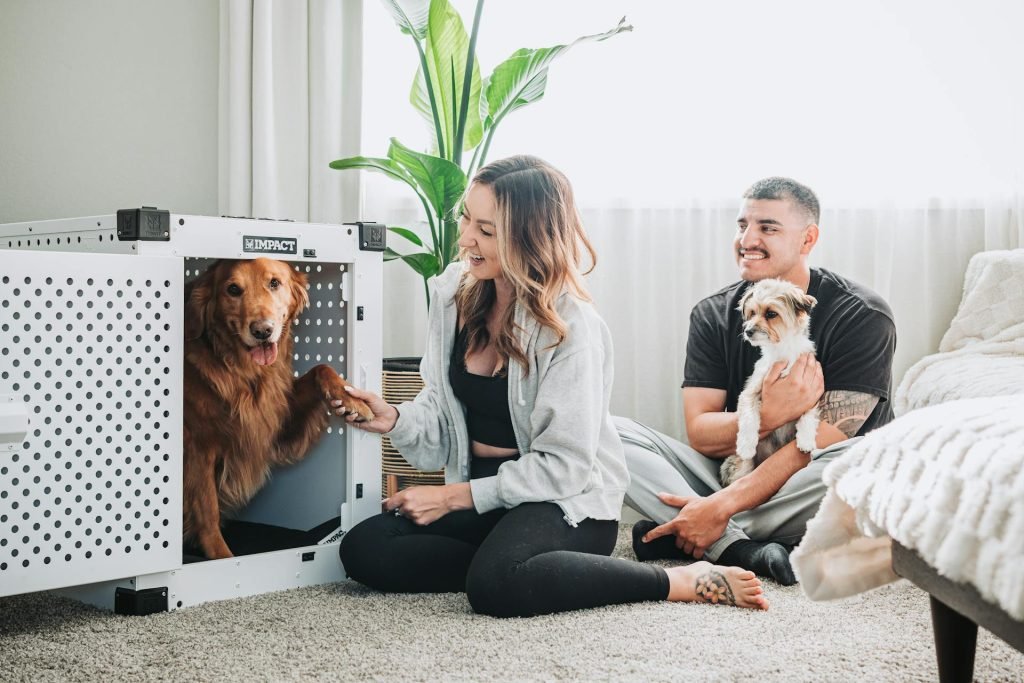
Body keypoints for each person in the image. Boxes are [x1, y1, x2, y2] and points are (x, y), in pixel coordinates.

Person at [336, 155, 768, 616]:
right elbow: (443, 411)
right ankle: (527, 566)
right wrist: (395, 417)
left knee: (494, 588)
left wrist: (449, 498)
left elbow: (564, 468)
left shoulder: (571, 326)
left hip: (562, 502)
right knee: (366, 549)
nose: (465, 240)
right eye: (466, 218)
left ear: (528, 237)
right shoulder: (453, 295)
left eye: (486, 230)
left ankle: (672, 580)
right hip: (487, 497)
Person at [620, 177, 896, 585]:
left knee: (877, 463)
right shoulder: (712, 314)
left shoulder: (862, 315)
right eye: (741, 225)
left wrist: (720, 507)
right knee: (608, 435)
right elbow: (700, 433)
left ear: (808, 239)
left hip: (807, 480)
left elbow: (822, 441)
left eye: (767, 227)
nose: (747, 239)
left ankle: (694, 528)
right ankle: (739, 546)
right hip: (735, 468)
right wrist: (768, 415)